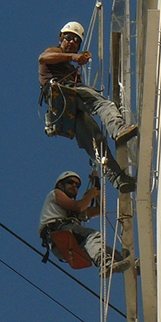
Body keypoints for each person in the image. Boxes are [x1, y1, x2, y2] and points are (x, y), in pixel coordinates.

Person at [39, 21, 137, 193]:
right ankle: (118, 129)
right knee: (101, 103)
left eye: (75, 40)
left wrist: (75, 61)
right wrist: (73, 57)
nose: (71, 42)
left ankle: (119, 180)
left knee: (96, 140)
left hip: (70, 106)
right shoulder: (55, 52)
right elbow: (43, 58)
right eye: (68, 38)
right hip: (64, 92)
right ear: (61, 38)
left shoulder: (69, 66)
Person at [39, 170, 131, 277]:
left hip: (64, 242)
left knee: (101, 247)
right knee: (92, 236)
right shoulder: (55, 194)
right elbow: (79, 207)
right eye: (70, 182)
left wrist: (96, 185)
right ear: (60, 184)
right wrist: (90, 195)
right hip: (59, 232)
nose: (74, 186)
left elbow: (100, 209)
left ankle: (128, 263)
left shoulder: (73, 212)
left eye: (77, 185)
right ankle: (104, 263)